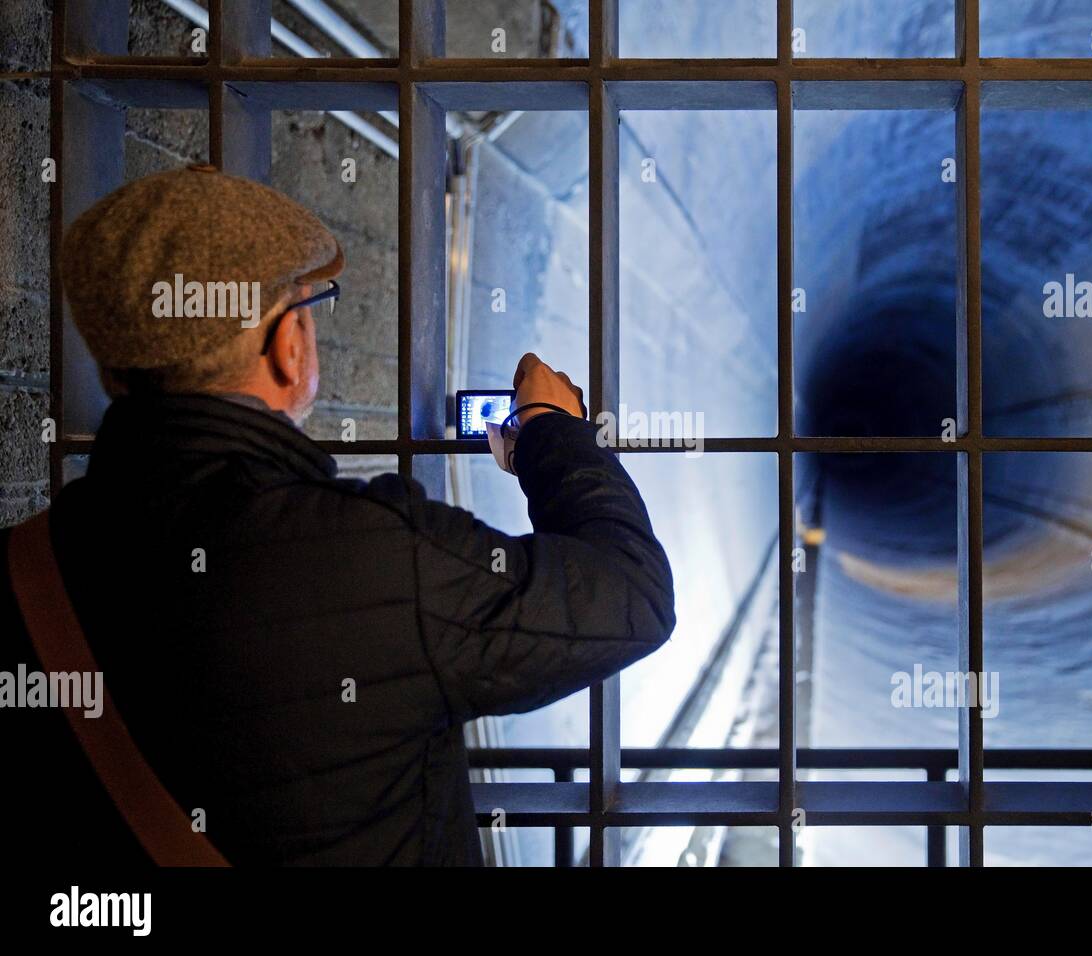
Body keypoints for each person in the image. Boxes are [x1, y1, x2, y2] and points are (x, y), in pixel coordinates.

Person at [0, 164, 675, 865]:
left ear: (116, 367)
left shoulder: (25, 571)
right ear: (287, 348)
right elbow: (632, 593)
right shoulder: (376, 560)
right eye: (308, 305)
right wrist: (549, 428)